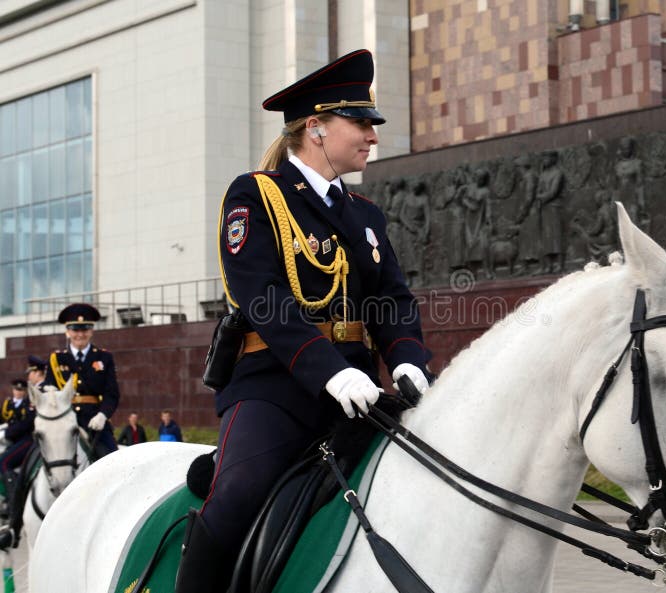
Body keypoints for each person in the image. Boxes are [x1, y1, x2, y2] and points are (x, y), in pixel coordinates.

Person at [174, 49, 432, 593]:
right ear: (315, 127)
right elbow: (261, 297)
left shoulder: (364, 214)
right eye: (361, 123)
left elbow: (391, 299)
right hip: (276, 386)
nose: (373, 136)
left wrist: (408, 361)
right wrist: (329, 371)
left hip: (362, 390)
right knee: (239, 491)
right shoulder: (256, 195)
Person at [43, 303, 120, 458]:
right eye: (75, 330)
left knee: (114, 460)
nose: (80, 334)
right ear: (67, 332)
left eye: (84, 329)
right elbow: (48, 387)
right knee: (34, 458)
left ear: (91, 331)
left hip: (94, 422)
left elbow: (112, 393)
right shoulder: (57, 359)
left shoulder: (104, 357)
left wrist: (102, 415)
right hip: (63, 420)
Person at [0, 379, 35, 520]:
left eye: (21, 390)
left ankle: (14, 499)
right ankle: (5, 498)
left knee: (3, 462)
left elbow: (26, 425)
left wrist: (6, 433)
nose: (18, 392)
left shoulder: (29, 405)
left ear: (25, 392)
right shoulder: (8, 404)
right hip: (12, 442)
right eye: (16, 389)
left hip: (25, 440)